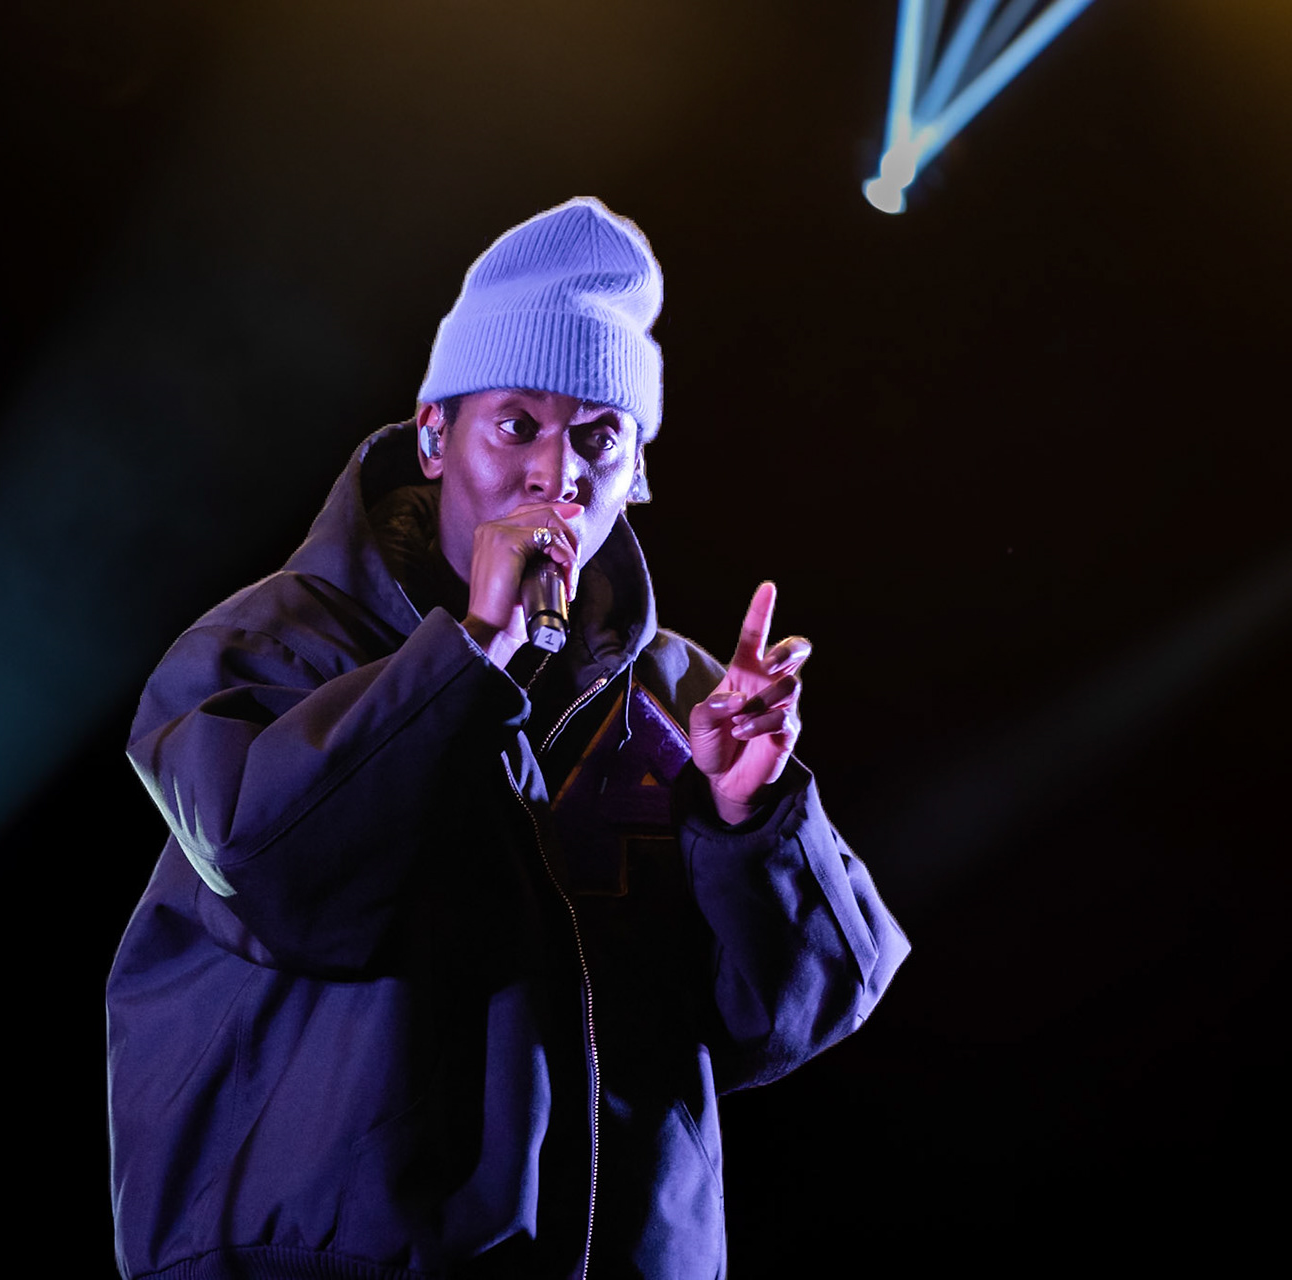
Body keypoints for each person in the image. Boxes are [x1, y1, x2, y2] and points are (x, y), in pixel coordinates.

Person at [106, 197, 908, 1280]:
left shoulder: (684, 694)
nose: (553, 473)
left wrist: (750, 813)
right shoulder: (276, 642)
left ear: (639, 473)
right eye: (515, 423)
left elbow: (785, 1023)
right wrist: (473, 649)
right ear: (436, 435)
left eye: (598, 436)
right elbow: (276, 871)